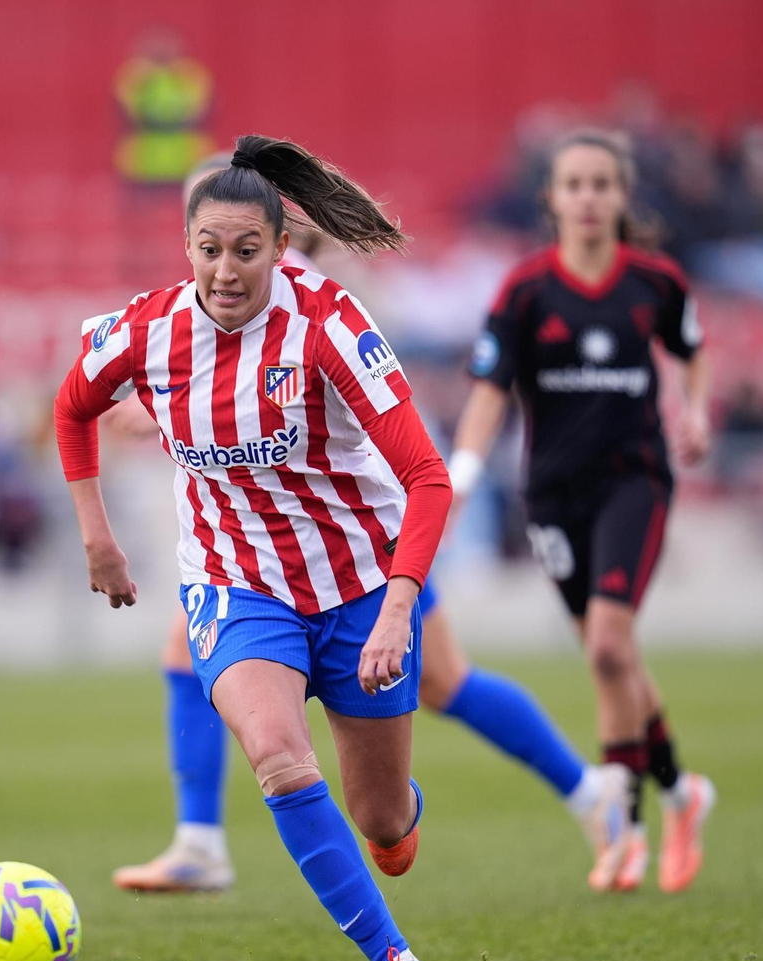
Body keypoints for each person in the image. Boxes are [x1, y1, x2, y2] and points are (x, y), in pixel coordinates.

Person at [110, 154, 629, 895]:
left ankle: (588, 791)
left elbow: (274, 409)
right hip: (285, 537)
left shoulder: (307, 297)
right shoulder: (229, 295)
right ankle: (200, 839)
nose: (213, 254)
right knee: (187, 646)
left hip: (370, 520)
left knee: (447, 682)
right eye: (201, 234)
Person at [56, 134, 457, 961]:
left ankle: (394, 825)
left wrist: (400, 605)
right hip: (238, 586)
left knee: (383, 825)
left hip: (359, 587)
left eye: (246, 250)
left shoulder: (331, 326)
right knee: (277, 753)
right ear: (186, 246)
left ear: (282, 247)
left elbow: (428, 477)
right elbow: (71, 405)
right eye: (209, 249)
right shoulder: (149, 329)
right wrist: (97, 533)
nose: (226, 270)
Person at [450, 129, 717, 894]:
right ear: (552, 198)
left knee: (606, 645)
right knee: (614, 655)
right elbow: (490, 389)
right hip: (553, 495)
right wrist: (463, 472)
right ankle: (682, 792)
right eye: (575, 184)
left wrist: (694, 413)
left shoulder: (656, 283)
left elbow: (693, 350)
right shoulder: (526, 290)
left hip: (633, 482)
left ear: (622, 196)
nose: (590, 197)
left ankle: (624, 826)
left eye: (603, 183)